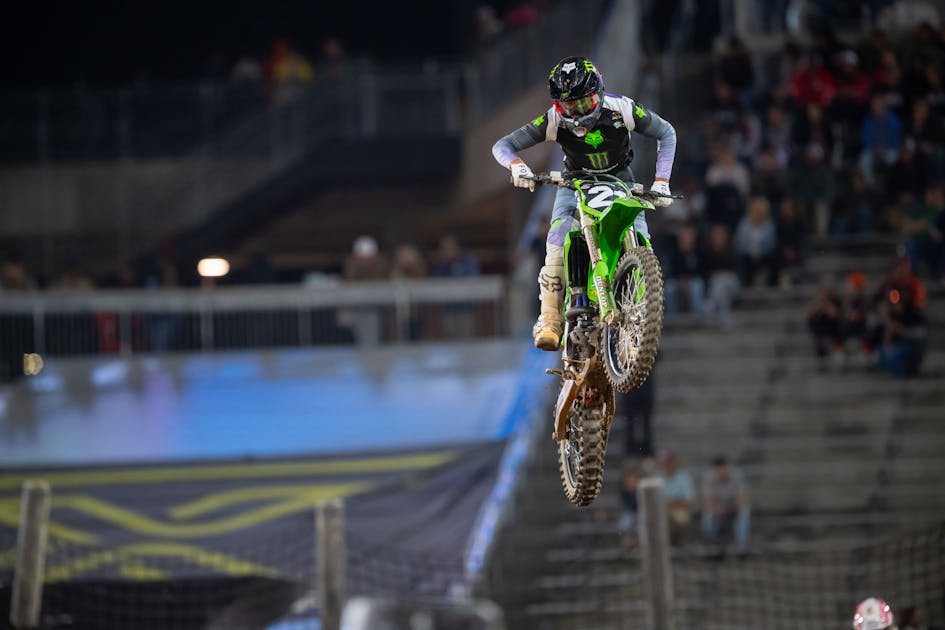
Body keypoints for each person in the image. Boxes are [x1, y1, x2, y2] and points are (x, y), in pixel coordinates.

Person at [492, 56, 677, 350]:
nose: (577, 112)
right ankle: (550, 319)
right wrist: (518, 166)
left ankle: (641, 312)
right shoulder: (553, 120)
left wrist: (662, 181)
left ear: (598, 92)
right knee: (556, 242)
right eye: (569, 106)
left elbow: (666, 131)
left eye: (583, 103)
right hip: (573, 184)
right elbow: (502, 145)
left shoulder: (622, 109)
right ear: (558, 105)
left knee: (644, 243)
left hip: (621, 182)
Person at [701, 456, 750, 555]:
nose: (721, 473)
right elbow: (708, 499)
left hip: (733, 506)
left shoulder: (737, 474)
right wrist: (718, 508)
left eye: (723, 470)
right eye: (718, 471)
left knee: (743, 515)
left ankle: (741, 548)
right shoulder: (709, 476)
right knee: (708, 520)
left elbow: (741, 497)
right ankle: (711, 548)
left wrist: (734, 507)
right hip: (716, 507)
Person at [654, 449, 695, 544]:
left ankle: (672, 542)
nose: (666, 466)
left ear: (674, 463)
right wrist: (673, 502)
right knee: (661, 517)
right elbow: (655, 503)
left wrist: (670, 502)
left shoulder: (684, 478)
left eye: (668, 463)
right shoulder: (656, 479)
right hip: (663, 512)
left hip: (679, 511)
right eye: (663, 463)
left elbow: (688, 502)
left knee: (679, 518)